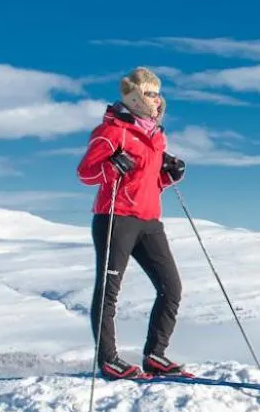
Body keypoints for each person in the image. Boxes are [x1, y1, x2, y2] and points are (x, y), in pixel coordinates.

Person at [76, 67, 188, 380]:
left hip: (149, 220)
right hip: (116, 217)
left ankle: (156, 354)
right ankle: (108, 359)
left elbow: (148, 181)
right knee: (109, 290)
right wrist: (112, 167)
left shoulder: (156, 135)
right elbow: (86, 173)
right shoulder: (112, 130)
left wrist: (169, 175)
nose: (157, 100)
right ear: (134, 96)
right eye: (150, 93)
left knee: (172, 288)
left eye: (158, 93)